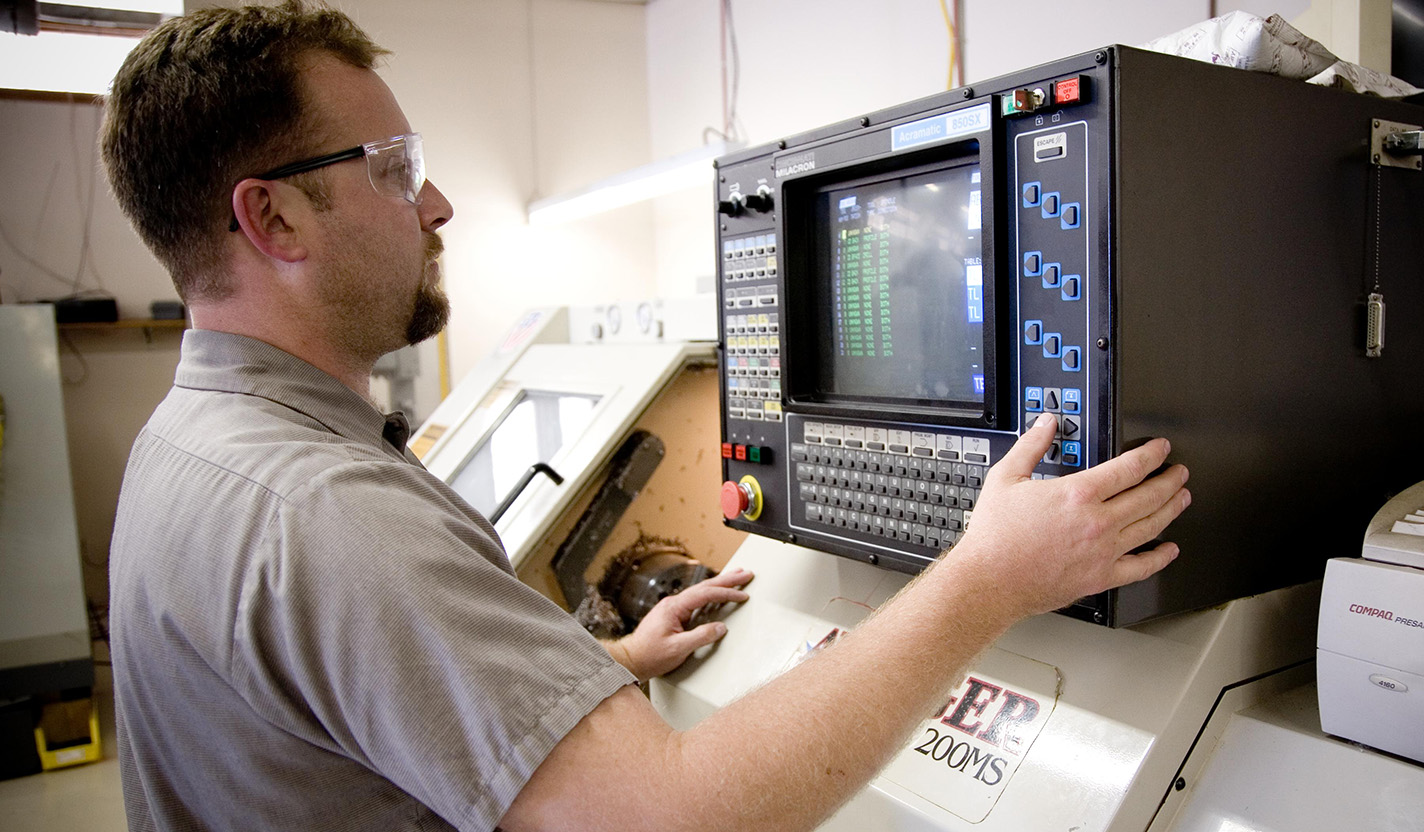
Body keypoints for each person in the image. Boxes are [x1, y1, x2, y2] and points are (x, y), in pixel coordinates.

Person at [101, 3, 1191, 831]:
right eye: (394, 171)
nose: (434, 204)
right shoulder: (326, 510)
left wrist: (600, 670)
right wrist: (989, 576)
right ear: (274, 214)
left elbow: (345, 707)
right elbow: (670, 814)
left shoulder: (190, 444)